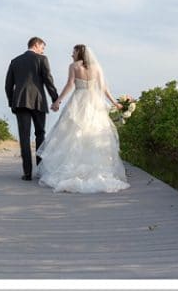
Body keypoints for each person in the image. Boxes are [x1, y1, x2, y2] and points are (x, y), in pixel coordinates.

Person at [36, 44, 130, 193]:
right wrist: (115, 103)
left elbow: (69, 85)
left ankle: (71, 169)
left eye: (73, 51)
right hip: (94, 103)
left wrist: (57, 101)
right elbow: (104, 88)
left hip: (78, 100)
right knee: (95, 133)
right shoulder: (97, 67)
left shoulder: (74, 66)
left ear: (79, 52)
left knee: (72, 134)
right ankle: (97, 171)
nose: (71, 54)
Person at [5, 37, 59, 181]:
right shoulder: (42, 59)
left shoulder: (15, 61)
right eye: (42, 47)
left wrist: (12, 102)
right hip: (38, 102)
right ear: (36, 45)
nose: (43, 50)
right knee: (40, 134)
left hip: (20, 102)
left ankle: (27, 173)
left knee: (24, 137)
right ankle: (40, 171)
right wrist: (55, 99)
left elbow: (8, 86)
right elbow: (48, 80)